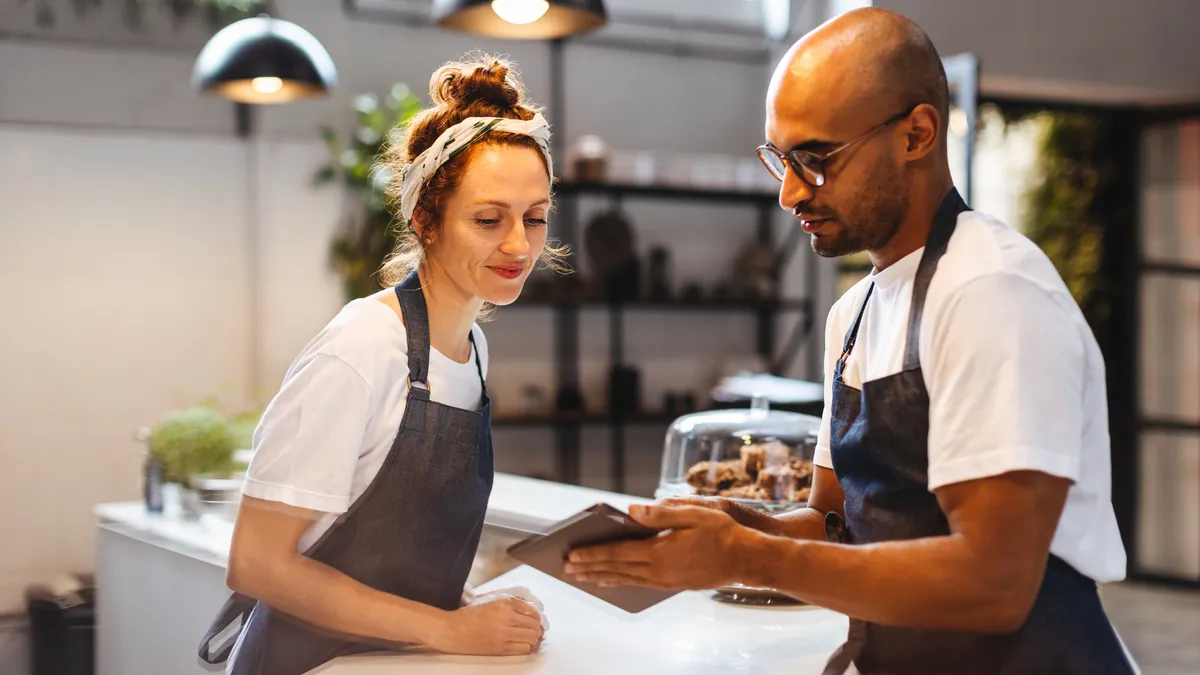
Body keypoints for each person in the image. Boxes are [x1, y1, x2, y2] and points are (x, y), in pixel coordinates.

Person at [563, 8, 1138, 675]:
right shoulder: (854, 314)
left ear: (917, 134)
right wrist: (733, 530)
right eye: (780, 158)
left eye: (814, 158)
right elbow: (836, 526)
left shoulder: (992, 292)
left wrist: (748, 555)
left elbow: (995, 582)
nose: (788, 192)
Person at [197, 55, 565, 675]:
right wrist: (448, 628)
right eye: (487, 219)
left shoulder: (471, 349)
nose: (518, 246)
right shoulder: (362, 348)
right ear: (425, 219)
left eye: (534, 218)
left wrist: (464, 607)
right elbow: (258, 564)